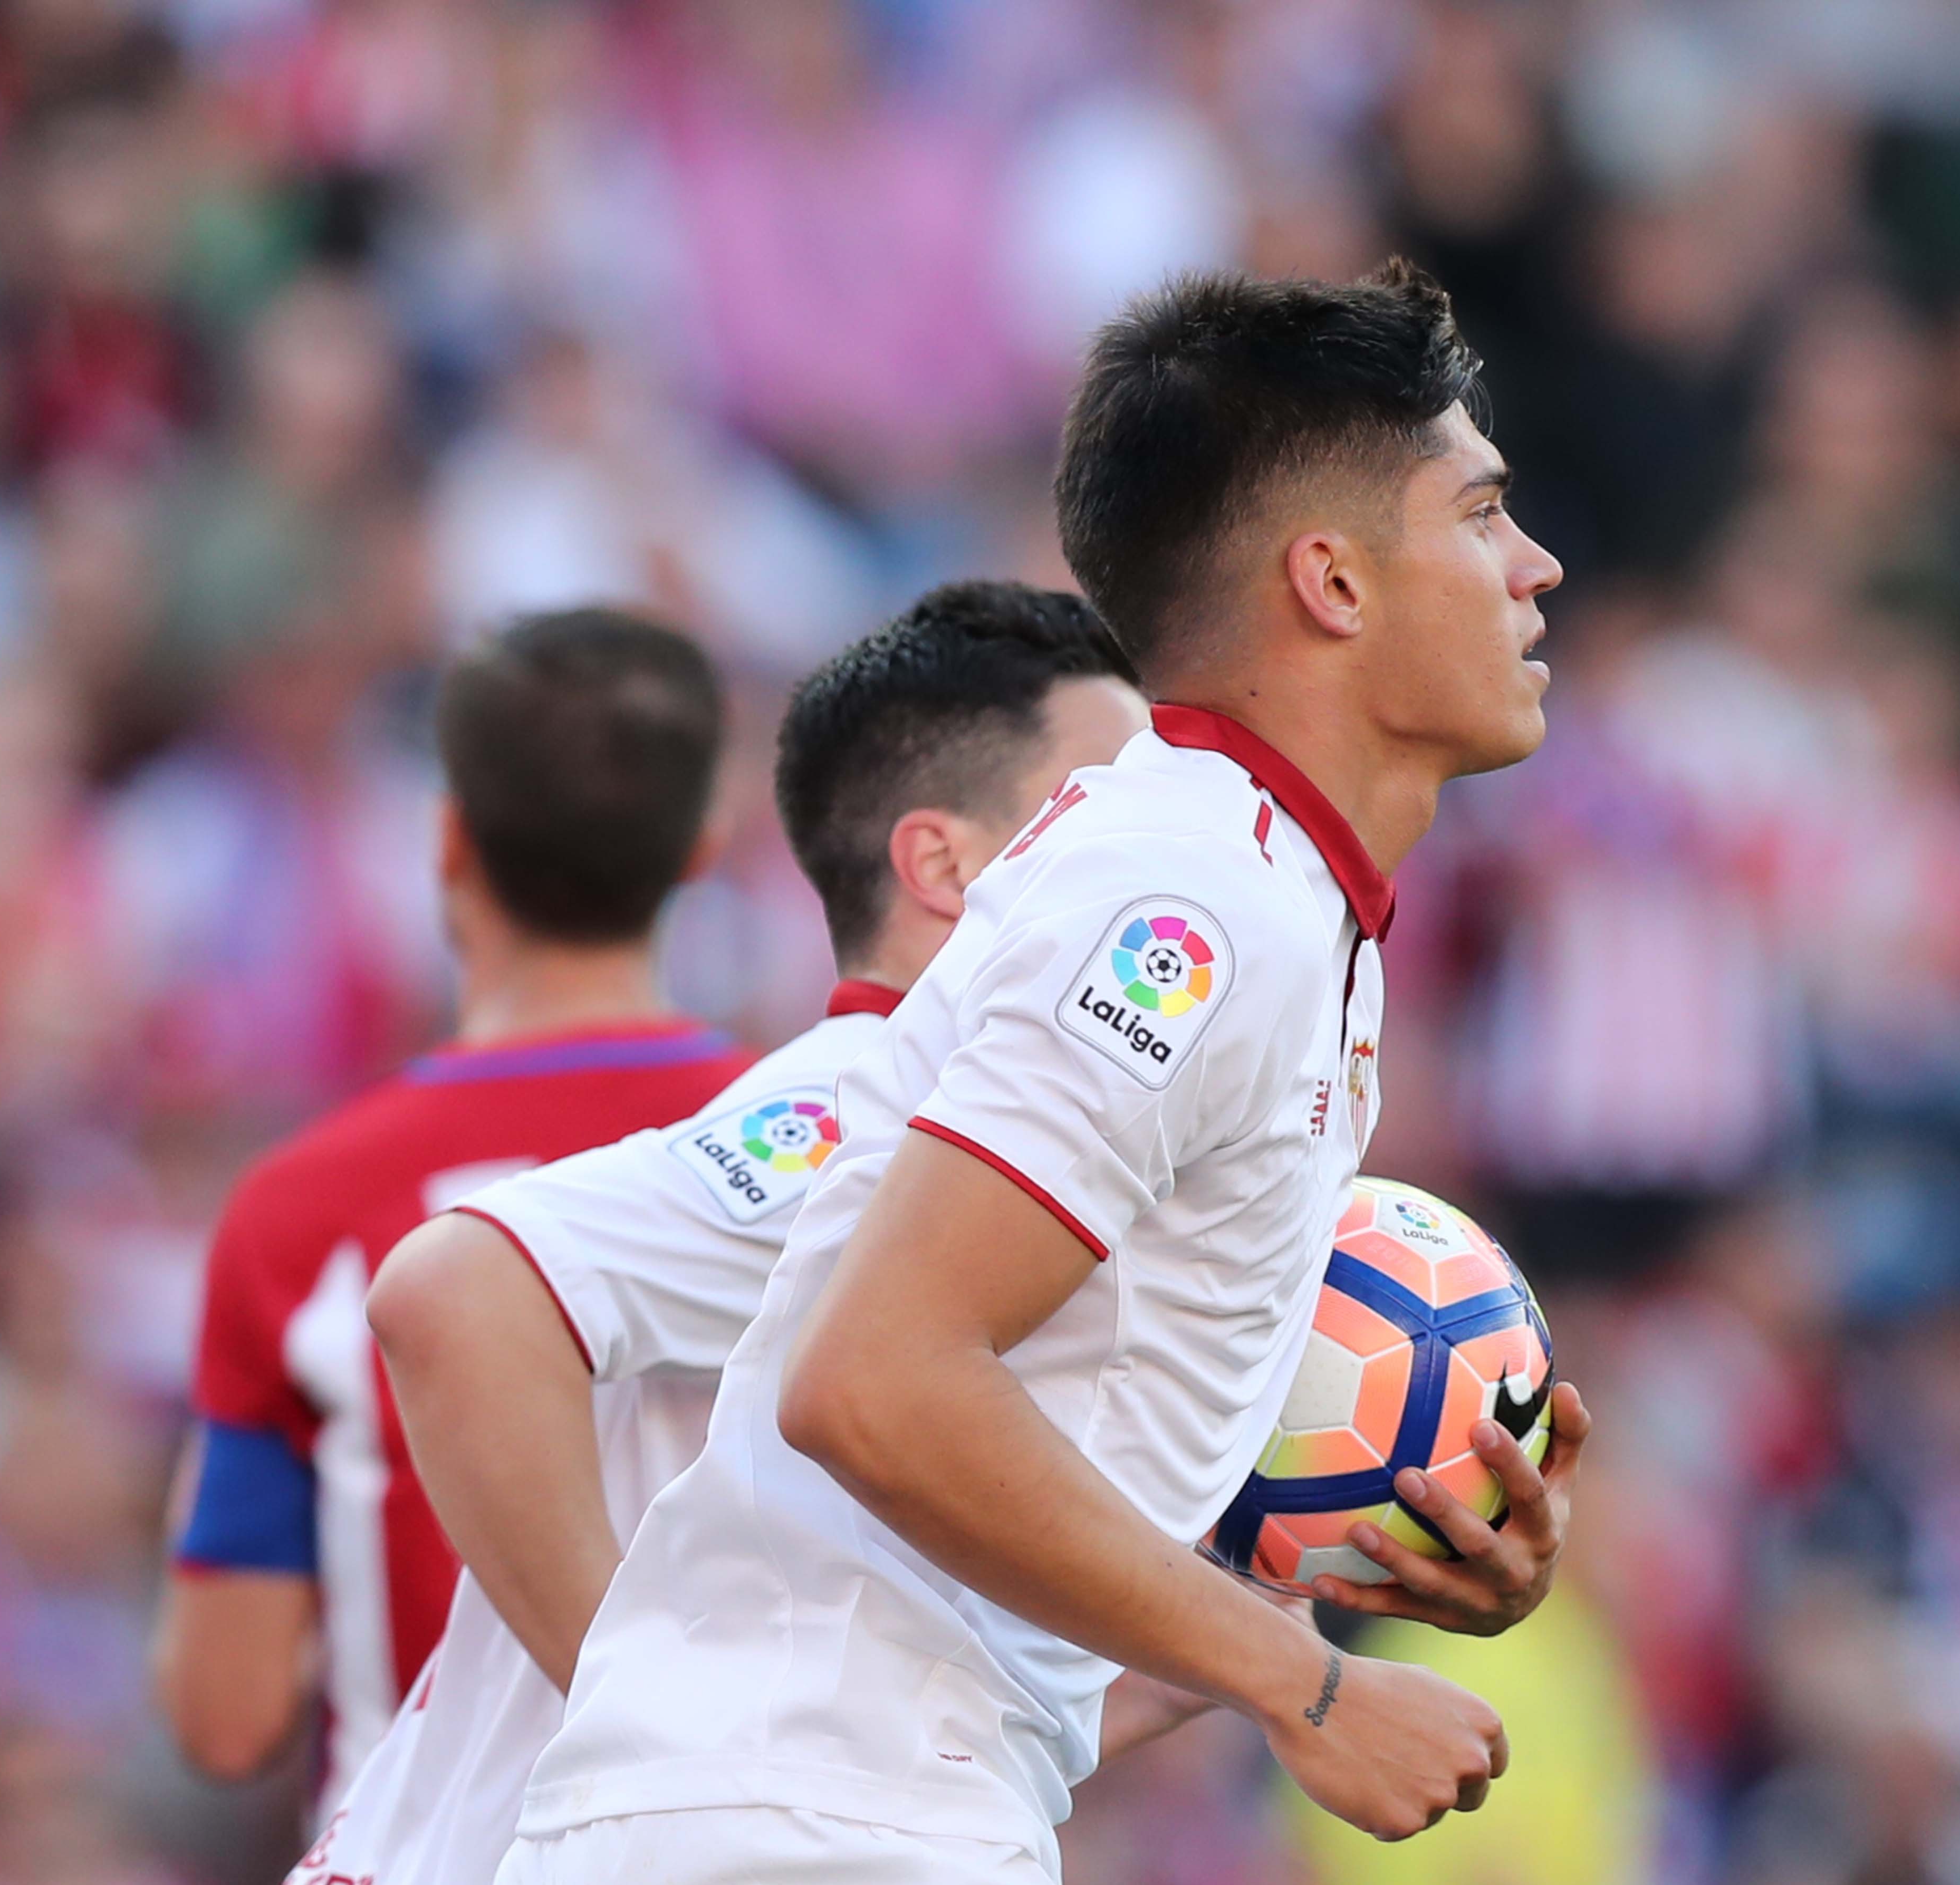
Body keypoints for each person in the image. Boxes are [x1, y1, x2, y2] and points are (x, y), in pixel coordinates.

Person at [494, 262, 1592, 1885]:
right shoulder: (1196, 905)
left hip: (841, 1803)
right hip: (807, 1822)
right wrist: (1311, 1684)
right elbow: (869, 1380)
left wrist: (1320, 1584)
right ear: (1334, 584)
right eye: (1483, 512)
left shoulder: (1243, 882)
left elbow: (982, 1575)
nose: (1536, 565)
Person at [284, 581, 1149, 1885]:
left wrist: (1264, 1642)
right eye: (1105, 811)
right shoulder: (870, 1111)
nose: (1159, 860)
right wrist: (664, 1743)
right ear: (944, 866)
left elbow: (909, 1734)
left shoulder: (1007, 1183)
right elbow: (455, 1291)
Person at [151, 610, 753, 1807]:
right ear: (700, 845)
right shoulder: (830, 1148)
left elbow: (228, 1715)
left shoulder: (302, 1209)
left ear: (447, 841)